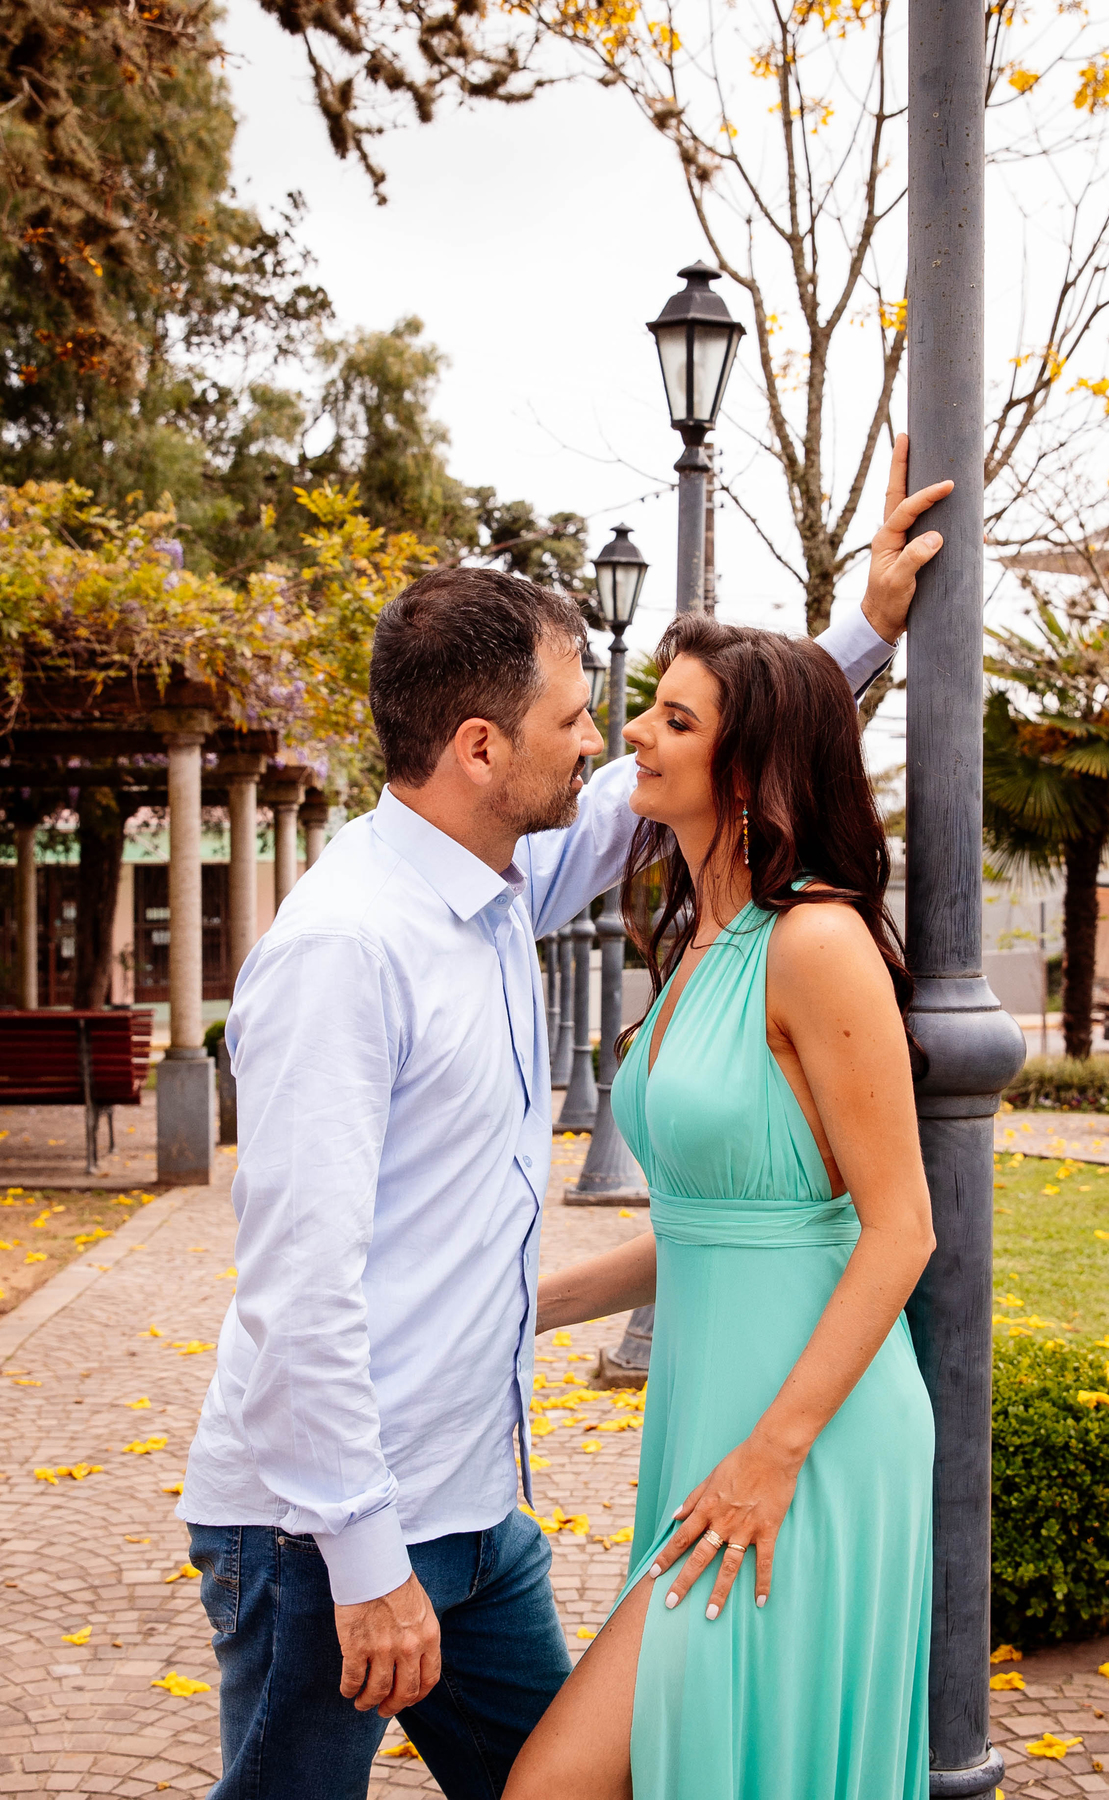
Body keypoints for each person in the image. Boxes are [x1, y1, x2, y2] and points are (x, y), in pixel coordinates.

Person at [179, 435, 950, 1800]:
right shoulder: (352, 946)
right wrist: (368, 1570)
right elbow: (297, 1293)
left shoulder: (490, 892)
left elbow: (718, 759)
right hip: (327, 1538)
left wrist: (862, 632)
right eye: (579, 717)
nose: (605, 744)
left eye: (632, 715)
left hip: (474, 1514)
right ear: (483, 749)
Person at [506, 611, 937, 1800]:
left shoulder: (817, 944)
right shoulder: (699, 941)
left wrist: (774, 1454)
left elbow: (901, 1228)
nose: (633, 731)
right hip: (711, 1425)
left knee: (557, 1784)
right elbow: (712, 1226)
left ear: (746, 772)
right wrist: (516, 1313)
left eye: (673, 719)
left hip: (811, 1441)